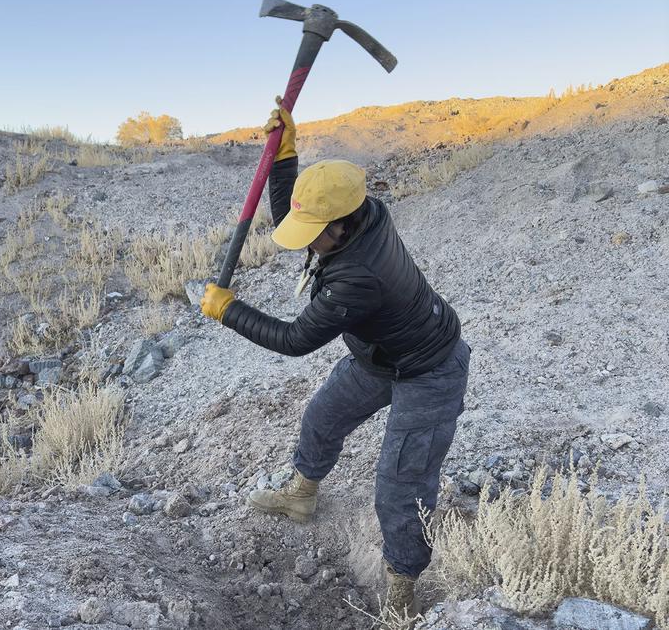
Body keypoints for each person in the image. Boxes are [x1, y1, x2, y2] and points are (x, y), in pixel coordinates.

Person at [200, 98, 470, 620]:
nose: (307, 240)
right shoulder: (361, 215)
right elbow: (294, 220)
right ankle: (302, 495)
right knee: (321, 418)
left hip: (429, 369)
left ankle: (403, 585)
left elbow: (296, 339)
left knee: (400, 485)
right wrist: (286, 155)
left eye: (316, 230)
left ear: (341, 225)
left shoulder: (358, 276)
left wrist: (230, 311)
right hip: (380, 356)